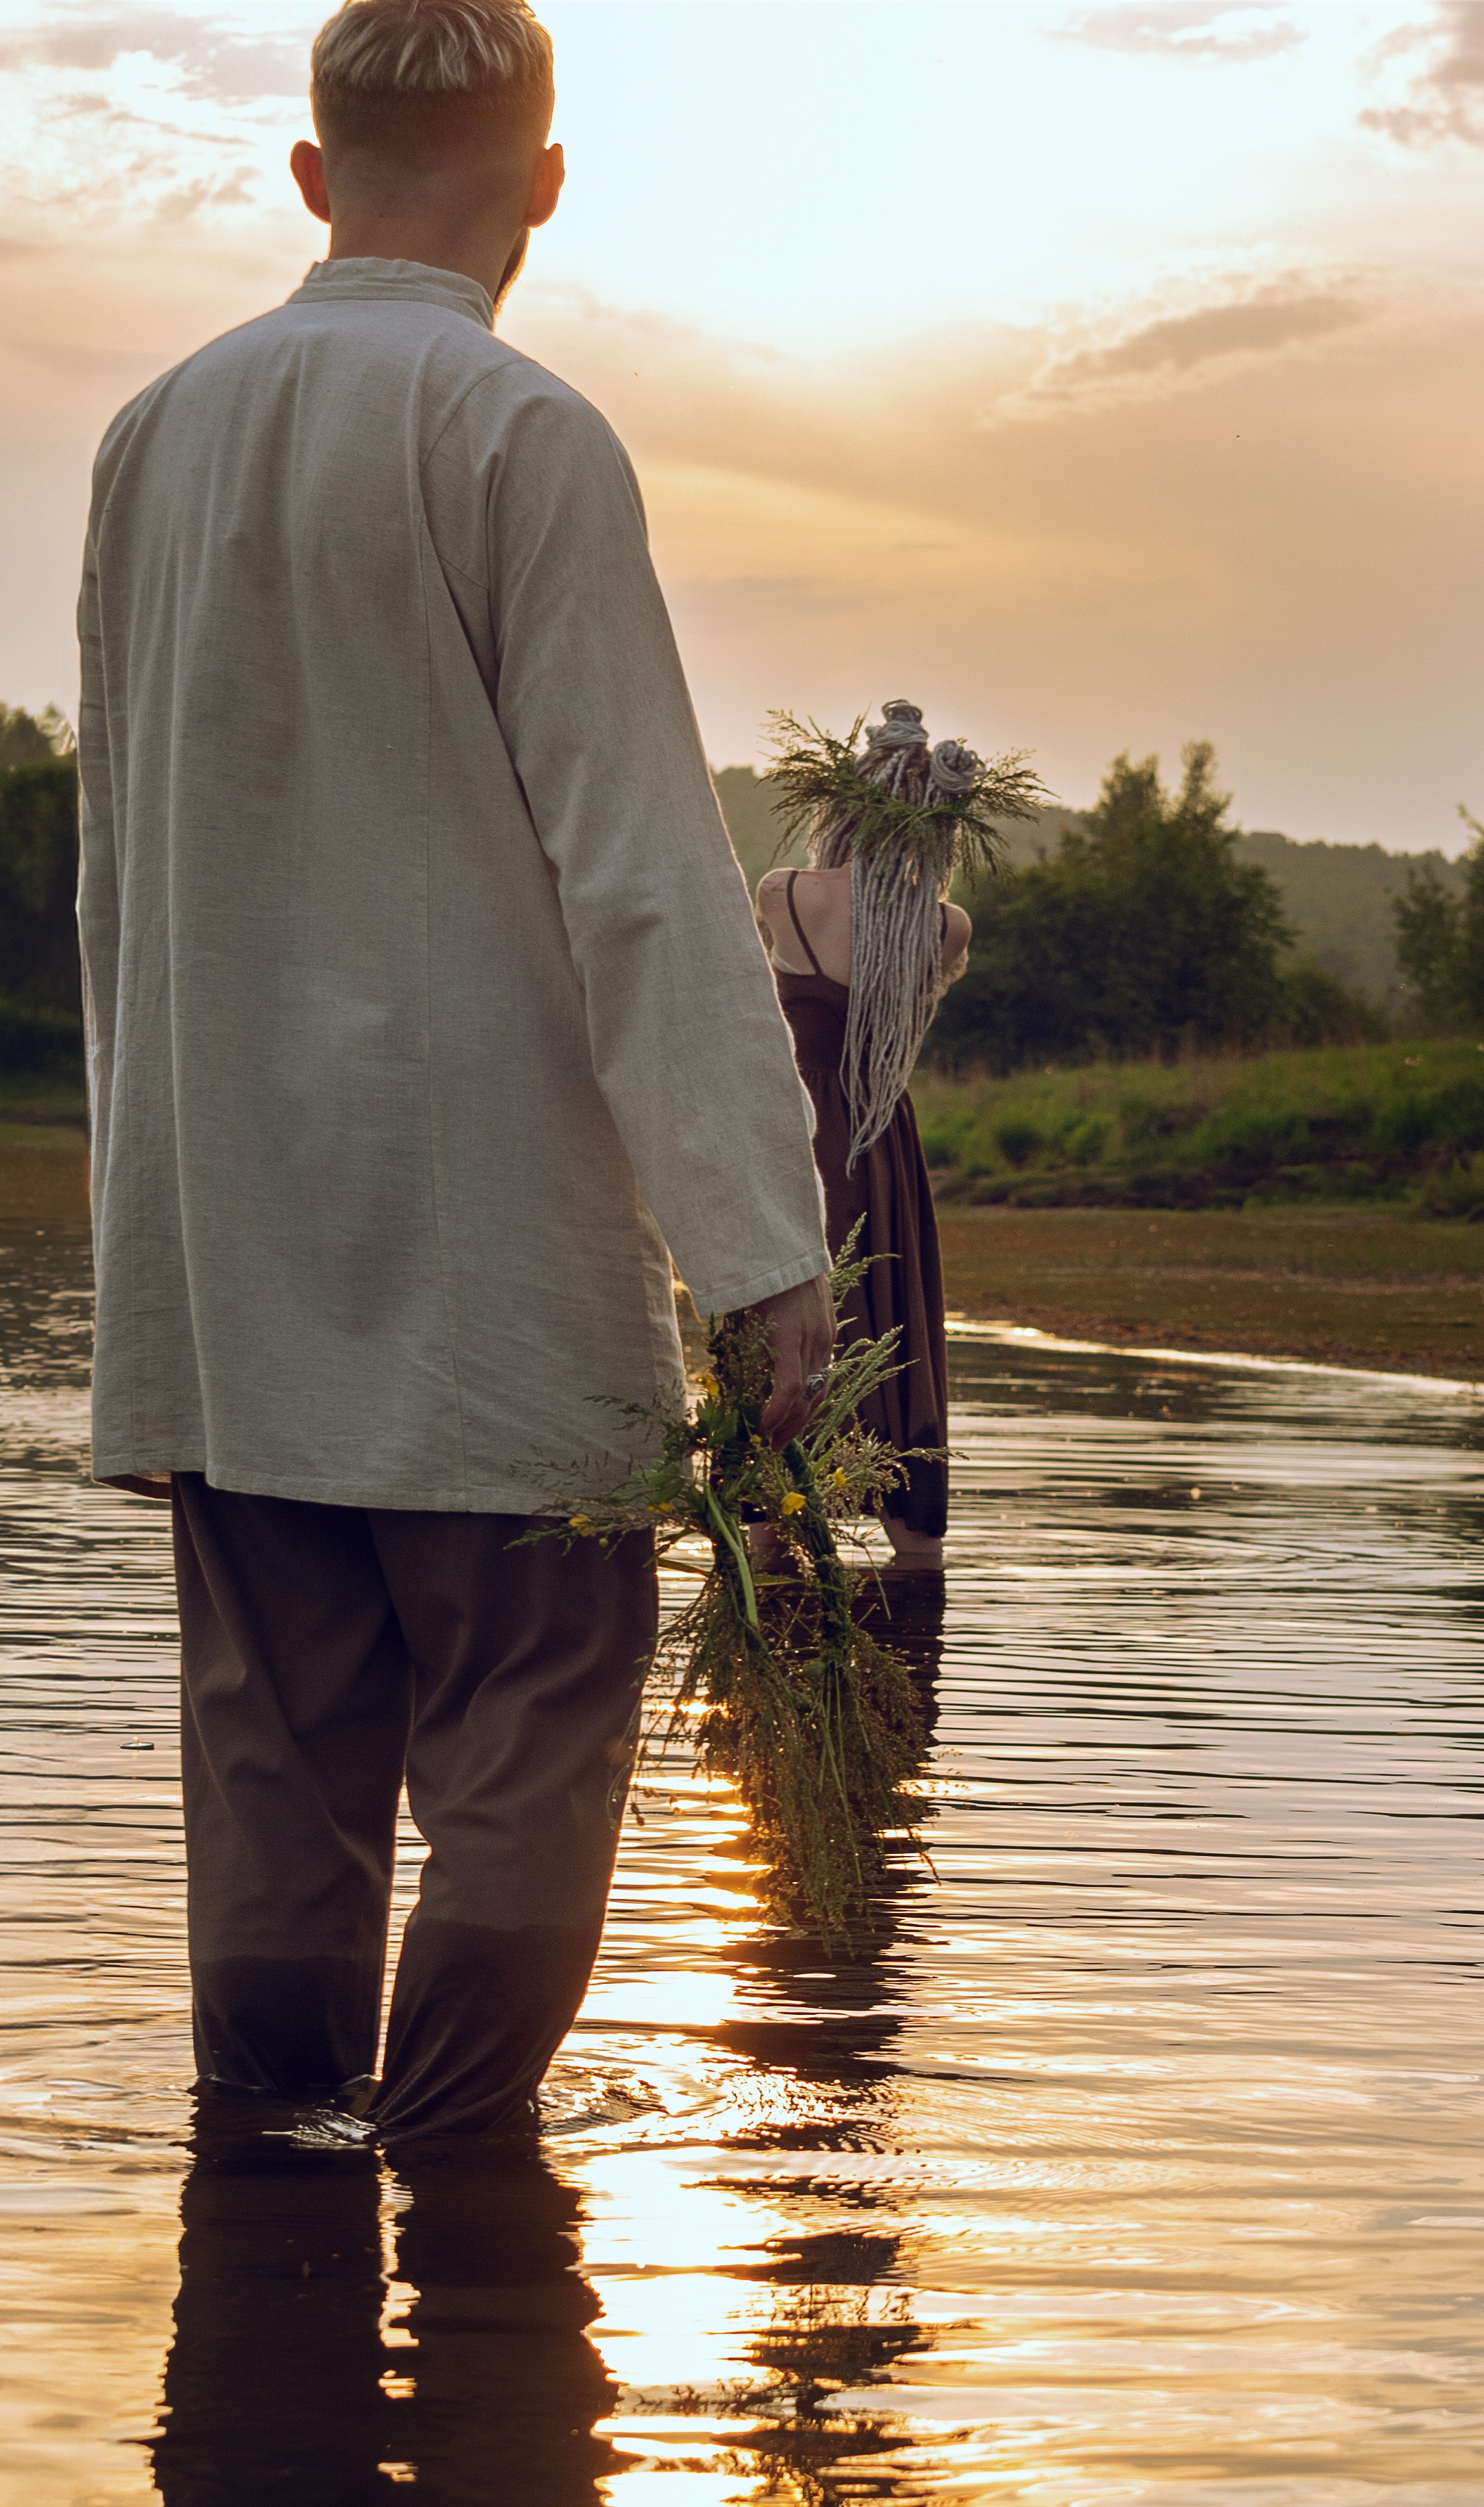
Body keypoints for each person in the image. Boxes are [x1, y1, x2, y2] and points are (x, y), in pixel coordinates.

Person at [75, 0, 835, 2142]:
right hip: (492, 1267)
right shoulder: (519, 432)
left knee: (270, 1760)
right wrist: (764, 1255)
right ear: (547, 185)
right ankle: (459, 2200)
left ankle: (276, 2264)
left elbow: (121, 880)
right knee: (523, 1737)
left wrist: (156, 1301)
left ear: (309, 179)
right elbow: (645, 879)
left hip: (237, 1254)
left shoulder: (152, 434)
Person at [754, 700, 975, 1573]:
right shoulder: (947, 923)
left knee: (782, 1323)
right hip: (879, 1135)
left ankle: (765, 1540)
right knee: (893, 1322)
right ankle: (910, 1545)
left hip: (796, 1128)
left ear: (843, 804)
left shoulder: (784, 893)